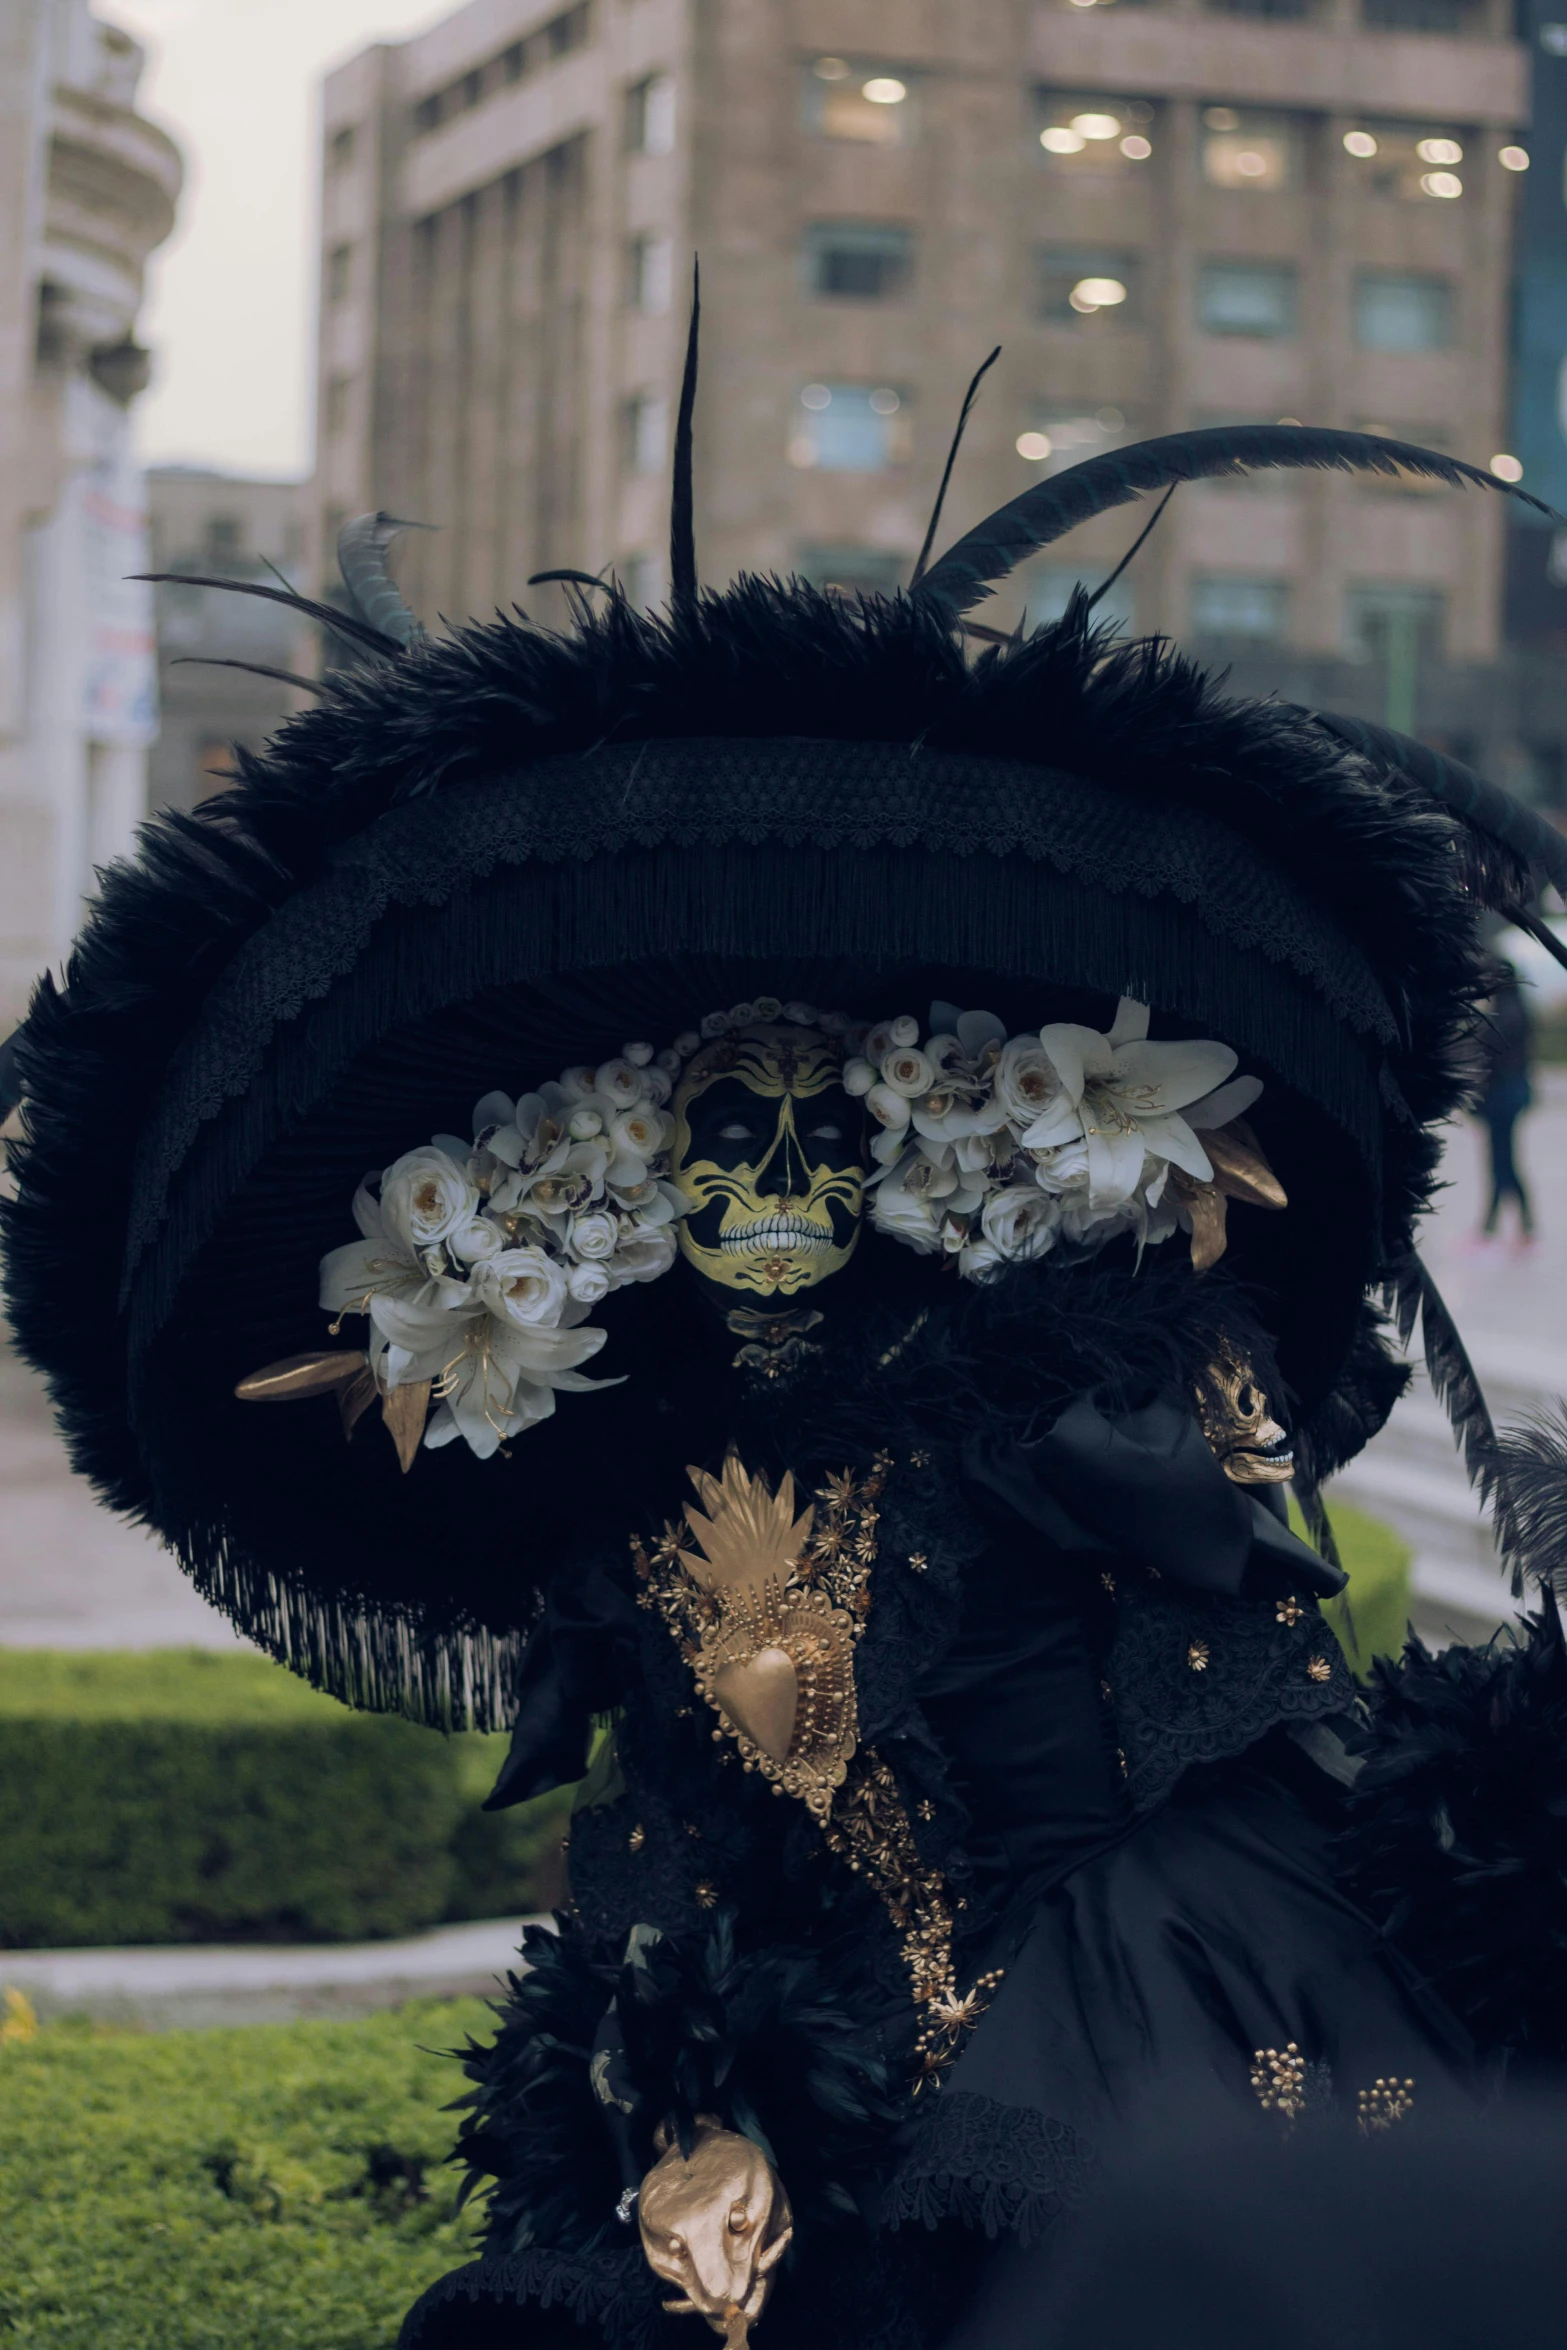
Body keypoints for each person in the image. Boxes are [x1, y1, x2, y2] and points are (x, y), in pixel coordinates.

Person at [5, 401, 1567, 2350]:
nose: (766, 1187)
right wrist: (686, 2076)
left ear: (909, 1147)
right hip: (789, 2043)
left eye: (812, 1134)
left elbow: (1241, 1678)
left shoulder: (1085, 1392)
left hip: (1163, 1976)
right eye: (711, 1145)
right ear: (626, 1182)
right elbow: (669, 1826)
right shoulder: (631, 1447)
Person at [1475, 959, 1536, 1245]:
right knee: (1502, 1158)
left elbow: (1492, 1057)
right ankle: (1507, 1222)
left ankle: (1504, 1223)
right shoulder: (1515, 1009)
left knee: (1501, 1160)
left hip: (1503, 1097)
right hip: (1510, 1095)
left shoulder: (1504, 1014)